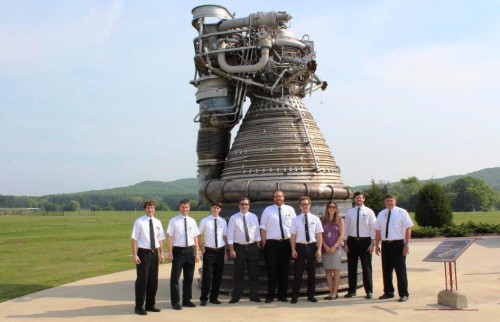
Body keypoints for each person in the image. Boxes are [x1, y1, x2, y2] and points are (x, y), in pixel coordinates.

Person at [374, 194, 414, 302]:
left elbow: (408, 228)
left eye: (391, 201)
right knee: (386, 270)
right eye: (387, 201)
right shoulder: (381, 214)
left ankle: (404, 293)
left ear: (395, 201)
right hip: (386, 245)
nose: (389, 203)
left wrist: (406, 245)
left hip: (398, 244)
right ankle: (388, 292)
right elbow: (377, 230)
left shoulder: (402, 212)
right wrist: (376, 245)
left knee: (400, 270)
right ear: (384, 202)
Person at [260, 190, 297, 303]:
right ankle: (270, 295)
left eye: (280, 196)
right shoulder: (268, 210)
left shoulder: (290, 209)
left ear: (283, 197)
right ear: (273, 199)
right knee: (271, 271)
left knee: (284, 271)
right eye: (276, 197)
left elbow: (295, 227)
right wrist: (264, 243)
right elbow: (263, 227)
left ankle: (282, 295)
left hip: (286, 243)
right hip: (271, 244)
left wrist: (293, 246)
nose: (278, 198)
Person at [131, 200, 165, 315]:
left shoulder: (157, 222)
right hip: (143, 254)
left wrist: (161, 253)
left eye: (152, 207)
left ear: (154, 209)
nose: (150, 210)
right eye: (148, 208)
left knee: (153, 281)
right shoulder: (139, 222)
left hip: (154, 253)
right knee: (142, 281)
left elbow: (160, 239)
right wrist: (135, 254)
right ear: (144, 209)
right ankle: (139, 306)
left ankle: (150, 305)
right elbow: (134, 239)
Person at [166, 199, 201, 310]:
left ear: (189, 208)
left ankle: (187, 300)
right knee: (175, 278)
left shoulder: (192, 221)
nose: (185, 209)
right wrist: (170, 252)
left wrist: (197, 252)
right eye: (182, 207)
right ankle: (175, 302)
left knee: (189, 277)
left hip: (190, 251)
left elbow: (195, 237)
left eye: (186, 207)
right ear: (179, 208)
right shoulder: (174, 221)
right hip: (178, 251)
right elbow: (169, 237)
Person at [227, 197, 262, 304]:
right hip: (239, 248)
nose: (244, 206)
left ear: (249, 206)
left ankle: (254, 296)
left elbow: (257, 232)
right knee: (238, 273)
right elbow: (230, 235)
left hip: (252, 247)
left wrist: (257, 244)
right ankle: (236, 296)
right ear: (239, 205)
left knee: (254, 273)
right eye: (242, 204)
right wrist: (232, 249)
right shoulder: (234, 218)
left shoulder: (253, 217)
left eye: (246, 204)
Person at [290, 196, 324, 304]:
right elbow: (293, 236)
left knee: (312, 273)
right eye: (303, 204)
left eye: (307, 204)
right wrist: (293, 249)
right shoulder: (295, 220)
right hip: (300, 247)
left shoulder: (315, 219)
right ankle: (295, 296)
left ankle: (311, 295)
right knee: (298, 272)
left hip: (312, 247)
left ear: (310, 205)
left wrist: (319, 249)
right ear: (300, 206)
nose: (305, 206)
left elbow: (319, 235)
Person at [343, 191, 376, 299]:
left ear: (364, 199)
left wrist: (372, 243)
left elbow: (373, 228)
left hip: (365, 241)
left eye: (360, 198)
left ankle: (369, 291)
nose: (358, 199)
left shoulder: (369, 212)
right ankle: (352, 290)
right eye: (356, 198)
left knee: (366, 267)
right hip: (352, 241)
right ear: (354, 199)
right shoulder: (350, 212)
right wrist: (345, 242)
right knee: (351, 267)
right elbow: (346, 228)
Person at [198, 201, 228, 306]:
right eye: (214, 207)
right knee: (207, 276)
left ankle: (214, 297)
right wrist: (202, 249)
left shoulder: (223, 222)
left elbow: (224, 237)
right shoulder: (205, 221)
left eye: (218, 208)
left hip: (220, 251)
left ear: (220, 210)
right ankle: (204, 298)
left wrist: (225, 253)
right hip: (209, 251)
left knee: (218, 276)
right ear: (211, 208)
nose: (215, 209)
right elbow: (198, 235)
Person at [321, 200, 344, 300]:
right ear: (327, 208)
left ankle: (335, 292)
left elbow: (342, 234)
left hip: (336, 249)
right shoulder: (323, 220)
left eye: (334, 207)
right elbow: (320, 234)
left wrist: (334, 246)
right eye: (330, 207)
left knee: (336, 270)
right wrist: (325, 246)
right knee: (328, 271)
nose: (331, 208)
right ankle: (330, 292)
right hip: (325, 248)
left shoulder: (339, 220)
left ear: (336, 208)